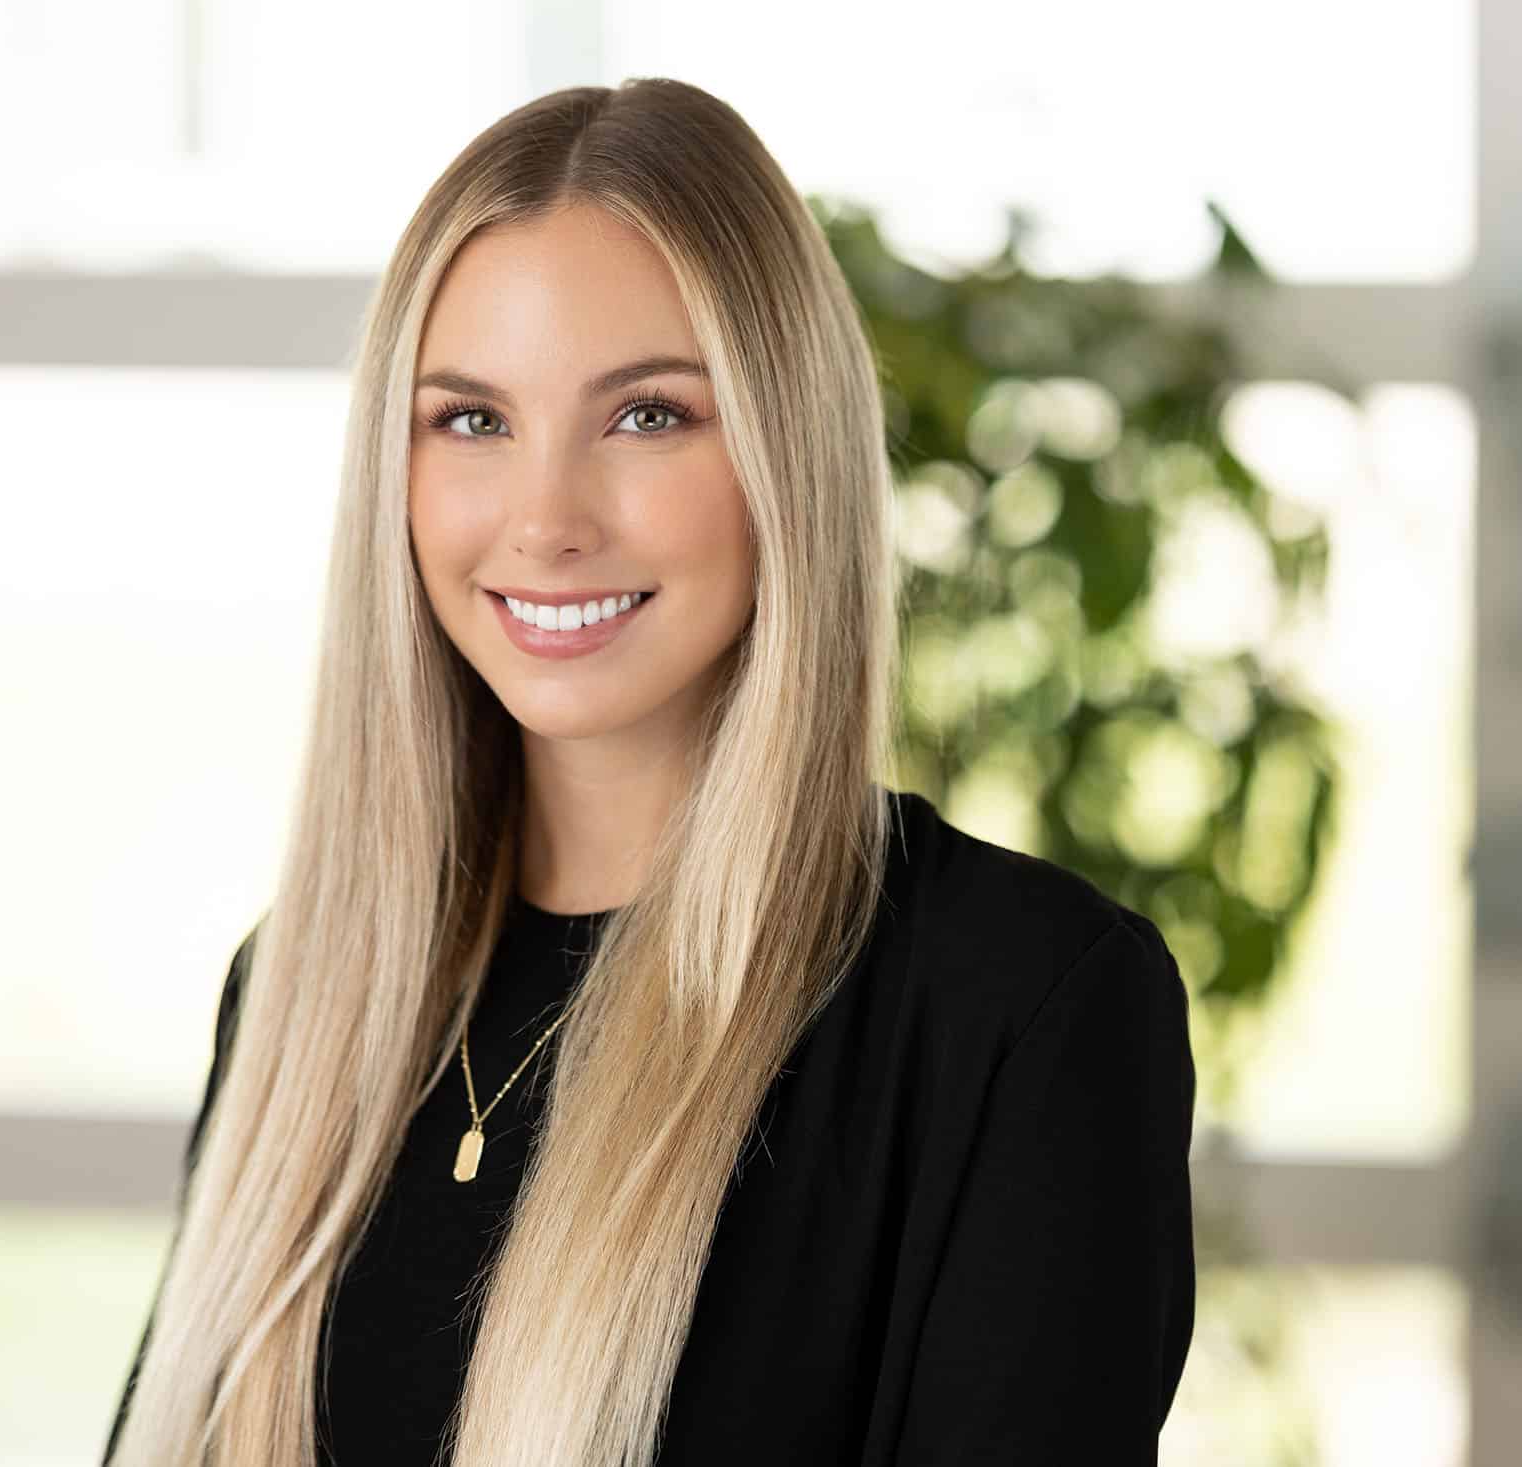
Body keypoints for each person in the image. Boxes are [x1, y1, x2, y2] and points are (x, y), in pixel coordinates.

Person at [102, 77, 1195, 1467]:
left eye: (648, 416)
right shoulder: (305, 986)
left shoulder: (1021, 1006)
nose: (547, 521)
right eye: (472, 421)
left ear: (786, 451)